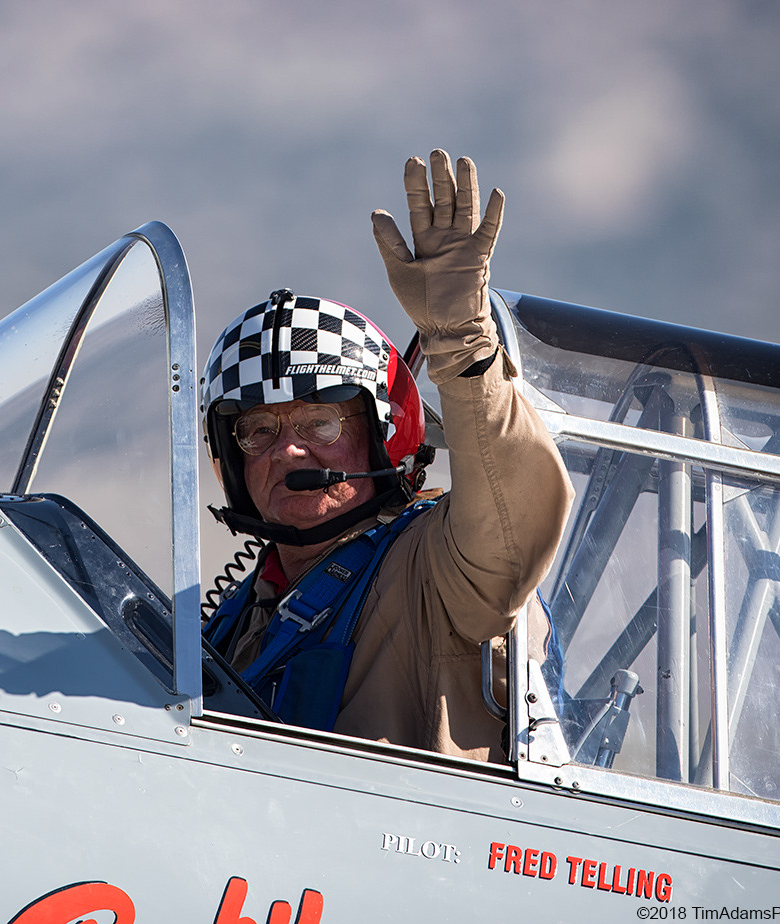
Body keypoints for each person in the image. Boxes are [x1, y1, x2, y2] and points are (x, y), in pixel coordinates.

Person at [200, 151, 573, 762]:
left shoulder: (437, 570)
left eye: (320, 422)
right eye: (258, 429)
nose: (287, 448)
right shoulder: (234, 620)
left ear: (384, 434)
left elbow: (516, 519)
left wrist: (461, 338)